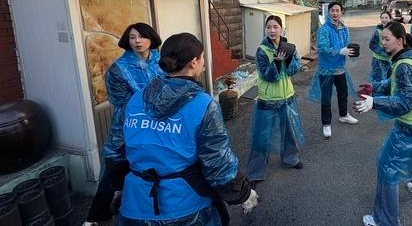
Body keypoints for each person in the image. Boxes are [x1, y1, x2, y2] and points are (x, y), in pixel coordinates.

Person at [111, 33, 258, 225]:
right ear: (194, 62)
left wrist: (114, 189)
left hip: (134, 205)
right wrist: (243, 193)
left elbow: (117, 150)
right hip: (186, 207)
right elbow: (216, 161)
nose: (204, 62)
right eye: (202, 57)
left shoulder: (136, 99)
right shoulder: (203, 104)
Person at [357, 22, 412, 226]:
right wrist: (375, 87)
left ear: (400, 40)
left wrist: (374, 103)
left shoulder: (404, 65)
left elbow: (405, 102)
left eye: (387, 39)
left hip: (411, 125)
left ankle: (385, 221)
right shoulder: (406, 59)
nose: (383, 43)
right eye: (382, 38)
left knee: (387, 167)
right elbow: (395, 83)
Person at [85, 23, 164, 224]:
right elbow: (121, 102)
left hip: (158, 123)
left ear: (151, 39)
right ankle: (96, 216)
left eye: (141, 36)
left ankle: (145, 211)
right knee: (114, 167)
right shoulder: (118, 69)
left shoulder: (161, 62)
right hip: (127, 126)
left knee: (152, 169)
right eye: (132, 37)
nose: (137, 41)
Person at [247, 15, 305, 186]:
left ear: (282, 28)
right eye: (269, 27)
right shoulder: (261, 51)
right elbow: (268, 76)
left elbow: (293, 70)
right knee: (262, 137)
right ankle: (255, 173)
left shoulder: (287, 47)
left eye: (275, 27)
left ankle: (290, 159)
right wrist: (278, 62)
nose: (272, 30)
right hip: (268, 100)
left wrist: (292, 57)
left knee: (289, 131)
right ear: (266, 29)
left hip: (287, 97)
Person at [308, 1, 358, 138]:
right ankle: (326, 124)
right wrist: (339, 51)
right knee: (326, 98)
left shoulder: (344, 28)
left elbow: (347, 45)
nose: (335, 13)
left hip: (340, 69)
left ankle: (343, 115)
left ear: (341, 12)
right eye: (332, 10)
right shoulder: (324, 29)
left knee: (343, 93)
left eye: (338, 10)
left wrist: (351, 51)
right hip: (326, 70)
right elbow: (323, 49)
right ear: (328, 12)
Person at [369, 11, 393, 83]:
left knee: (389, 81)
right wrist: (384, 52)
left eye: (386, 18)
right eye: (382, 18)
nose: (384, 19)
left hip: (389, 61)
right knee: (377, 80)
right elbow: (372, 44)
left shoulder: (394, 30)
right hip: (378, 61)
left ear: (390, 19)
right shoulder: (378, 31)